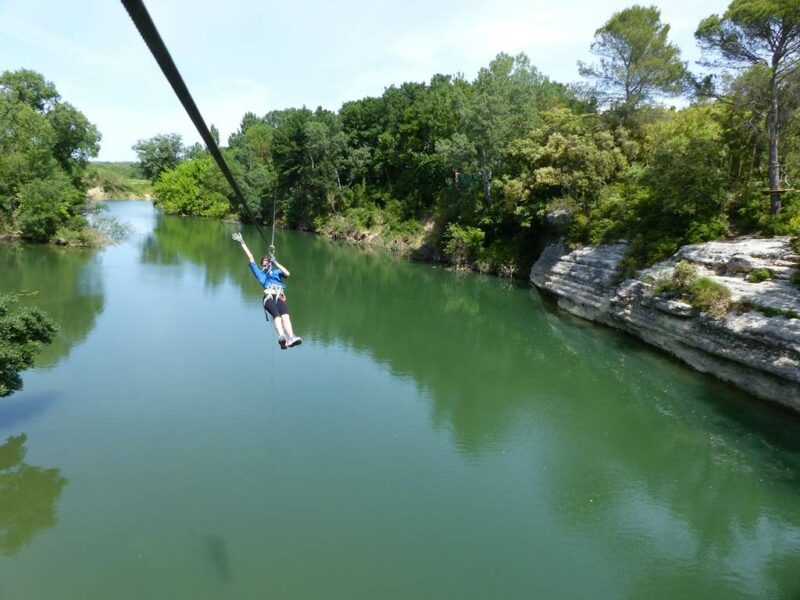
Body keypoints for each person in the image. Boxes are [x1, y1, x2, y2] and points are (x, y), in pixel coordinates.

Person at [232, 232, 302, 349]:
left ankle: (291, 337)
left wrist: (276, 263)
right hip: (269, 296)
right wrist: (242, 242)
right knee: (277, 316)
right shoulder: (260, 274)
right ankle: (281, 337)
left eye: (268, 261)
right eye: (265, 261)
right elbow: (250, 257)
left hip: (279, 296)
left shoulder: (276, 272)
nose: (267, 262)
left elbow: (287, 273)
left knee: (286, 317)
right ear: (261, 264)